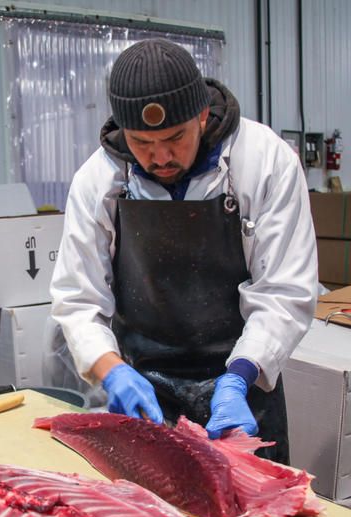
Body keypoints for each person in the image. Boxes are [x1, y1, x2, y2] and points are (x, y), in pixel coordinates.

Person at [48, 38, 317, 463]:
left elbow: (286, 290)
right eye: (141, 142)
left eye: (175, 138)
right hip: (143, 385)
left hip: (242, 381)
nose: (160, 157)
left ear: (203, 116)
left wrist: (240, 378)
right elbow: (78, 300)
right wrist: (112, 372)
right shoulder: (97, 181)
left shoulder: (264, 161)